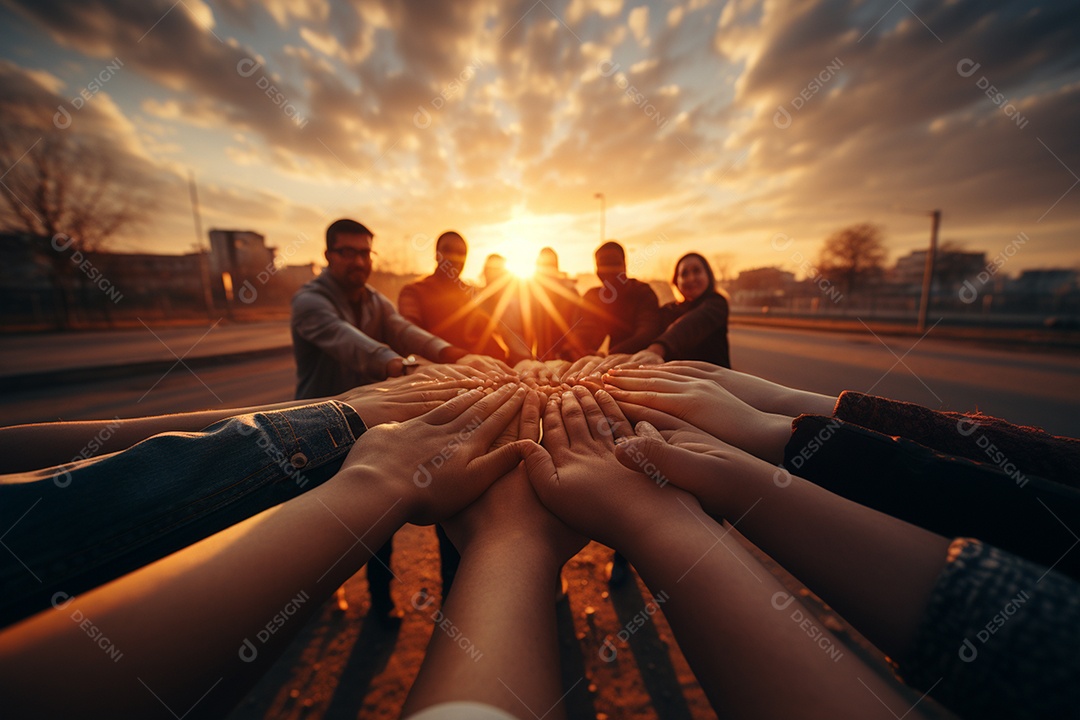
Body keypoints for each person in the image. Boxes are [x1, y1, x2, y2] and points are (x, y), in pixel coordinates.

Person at [291, 218, 474, 620]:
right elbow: (349, 340)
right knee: (325, 525)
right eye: (347, 252)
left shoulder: (375, 299)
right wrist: (405, 367)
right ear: (328, 255)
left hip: (367, 424)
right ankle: (314, 601)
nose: (358, 261)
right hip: (315, 429)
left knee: (377, 519)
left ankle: (379, 603)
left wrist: (455, 356)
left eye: (364, 252)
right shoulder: (310, 301)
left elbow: (403, 329)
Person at [398, 231, 511, 363]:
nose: (455, 258)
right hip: (434, 374)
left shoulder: (474, 296)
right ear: (436, 255)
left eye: (461, 253)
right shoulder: (413, 292)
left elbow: (493, 341)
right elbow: (410, 335)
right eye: (448, 250)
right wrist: (458, 357)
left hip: (482, 374)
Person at [631, 253, 730, 367]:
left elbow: (691, 325)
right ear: (676, 281)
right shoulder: (668, 310)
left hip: (715, 382)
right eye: (684, 274)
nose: (691, 278)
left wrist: (657, 349)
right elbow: (645, 333)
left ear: (708, 276)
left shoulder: (717, 303)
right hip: (675, 382)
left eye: (696, 271)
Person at [572, 241, 661, 358]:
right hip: (607, 365)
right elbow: (583, 333)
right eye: (602, 264)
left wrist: (608, 355)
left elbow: (647, 334)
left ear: (624, 265)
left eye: (613, 263)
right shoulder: (593, 297)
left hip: (641, 364)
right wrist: (582, 353)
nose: (608, 269)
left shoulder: (643, 293)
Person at [529, 247, 583, 361]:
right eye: (544, 264)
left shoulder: (570, 292)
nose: (547, 269)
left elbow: (578, 325)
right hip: (539, 358)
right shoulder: (530, 293)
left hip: (566, 359)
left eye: (550, 264)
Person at [480, 254, 533, 366]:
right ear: (485, 272)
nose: (495, 274)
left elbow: (530, 336)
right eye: (491, 269)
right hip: (486, 370)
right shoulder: (476, 304)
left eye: (498, 270)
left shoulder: (517, 304)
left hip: (520, 367)